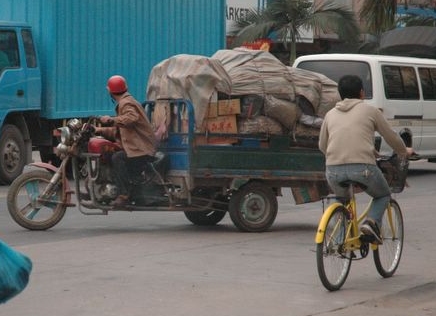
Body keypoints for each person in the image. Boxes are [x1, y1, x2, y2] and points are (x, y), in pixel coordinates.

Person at [318, 75, 414, 244]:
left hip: (333, 170)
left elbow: (322, 145)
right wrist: (403, 150)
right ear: (361, 93)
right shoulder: (370, 111)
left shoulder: (330, 114)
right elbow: (390, 136)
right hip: (363, 169)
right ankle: (371, 223)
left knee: (342, 201)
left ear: (340, 94)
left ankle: (340, 243)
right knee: (383, 195)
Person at [95, 75, 157, 207]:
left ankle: (124, 195)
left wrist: (112, 119)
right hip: (135, 147)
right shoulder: (125, 102)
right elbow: (121, 131)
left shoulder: (126, 102)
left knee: (117, 158)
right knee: (108, 154)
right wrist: (98, 130)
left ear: (110, 92)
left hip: (141, 149)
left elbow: (131, 118)